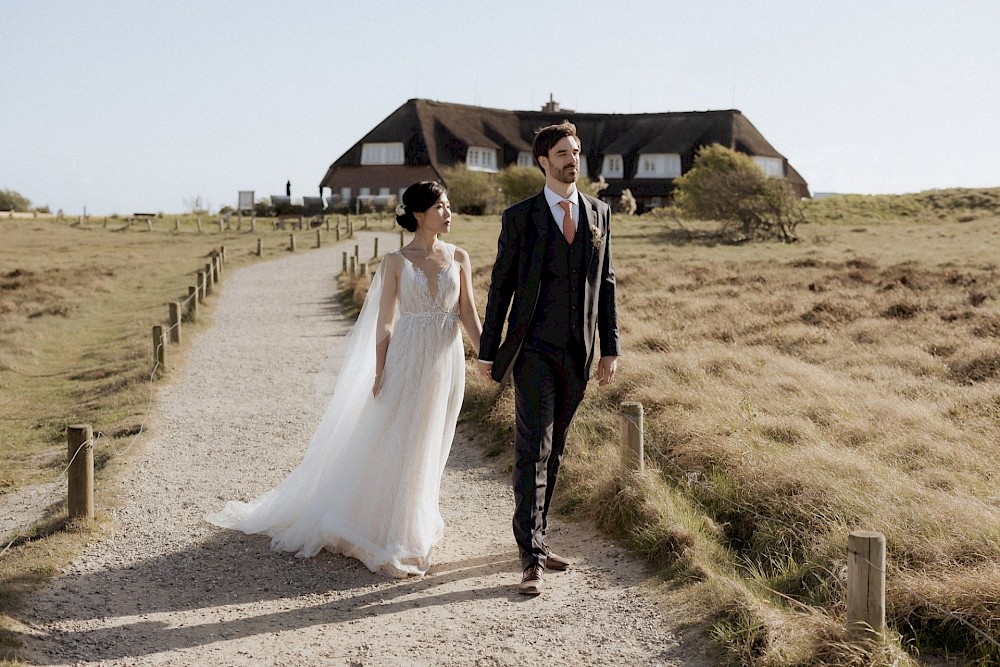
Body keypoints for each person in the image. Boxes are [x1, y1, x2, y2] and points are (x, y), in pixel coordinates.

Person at [207, 181, 482, 578]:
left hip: (446, 360)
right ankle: (397, 532)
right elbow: (386, 321)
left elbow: (469, 314)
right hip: (407, 360)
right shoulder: (395, 262)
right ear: (419, 214)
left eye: (448, 204)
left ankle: (416, 518)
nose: (449, 211)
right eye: (441, 206)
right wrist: (380, 370)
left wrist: (489, 357)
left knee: (432, 439)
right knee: (403, 439)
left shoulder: (459, 257)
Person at [478, 122, 619, 595]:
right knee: (532, 448)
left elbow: (608, 283)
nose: (571, 160)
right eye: (562, 153)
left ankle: (540, 535)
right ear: (543, 161)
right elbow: (501, 286)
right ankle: (530, 557)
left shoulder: (599, 213)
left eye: (575, 151)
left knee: (555, 450)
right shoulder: (520, 217)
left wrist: (610, 347)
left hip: (580, 353)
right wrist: (487, 350)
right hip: (533, 350)